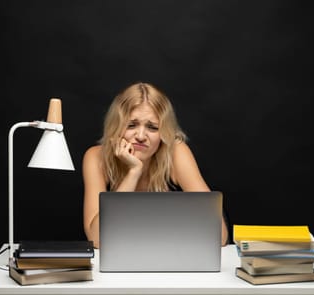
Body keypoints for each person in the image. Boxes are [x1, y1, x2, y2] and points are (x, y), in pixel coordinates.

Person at [82, 82, 228, 248]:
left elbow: (219, 236)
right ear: (116, 126)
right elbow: (97, 239)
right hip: (121, 257)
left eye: (152, 127)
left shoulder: (176, 152)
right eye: (131, 125)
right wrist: (134, 172)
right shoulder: (95, 157)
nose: (141, 136)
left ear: (163, 132)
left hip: (174, 254)